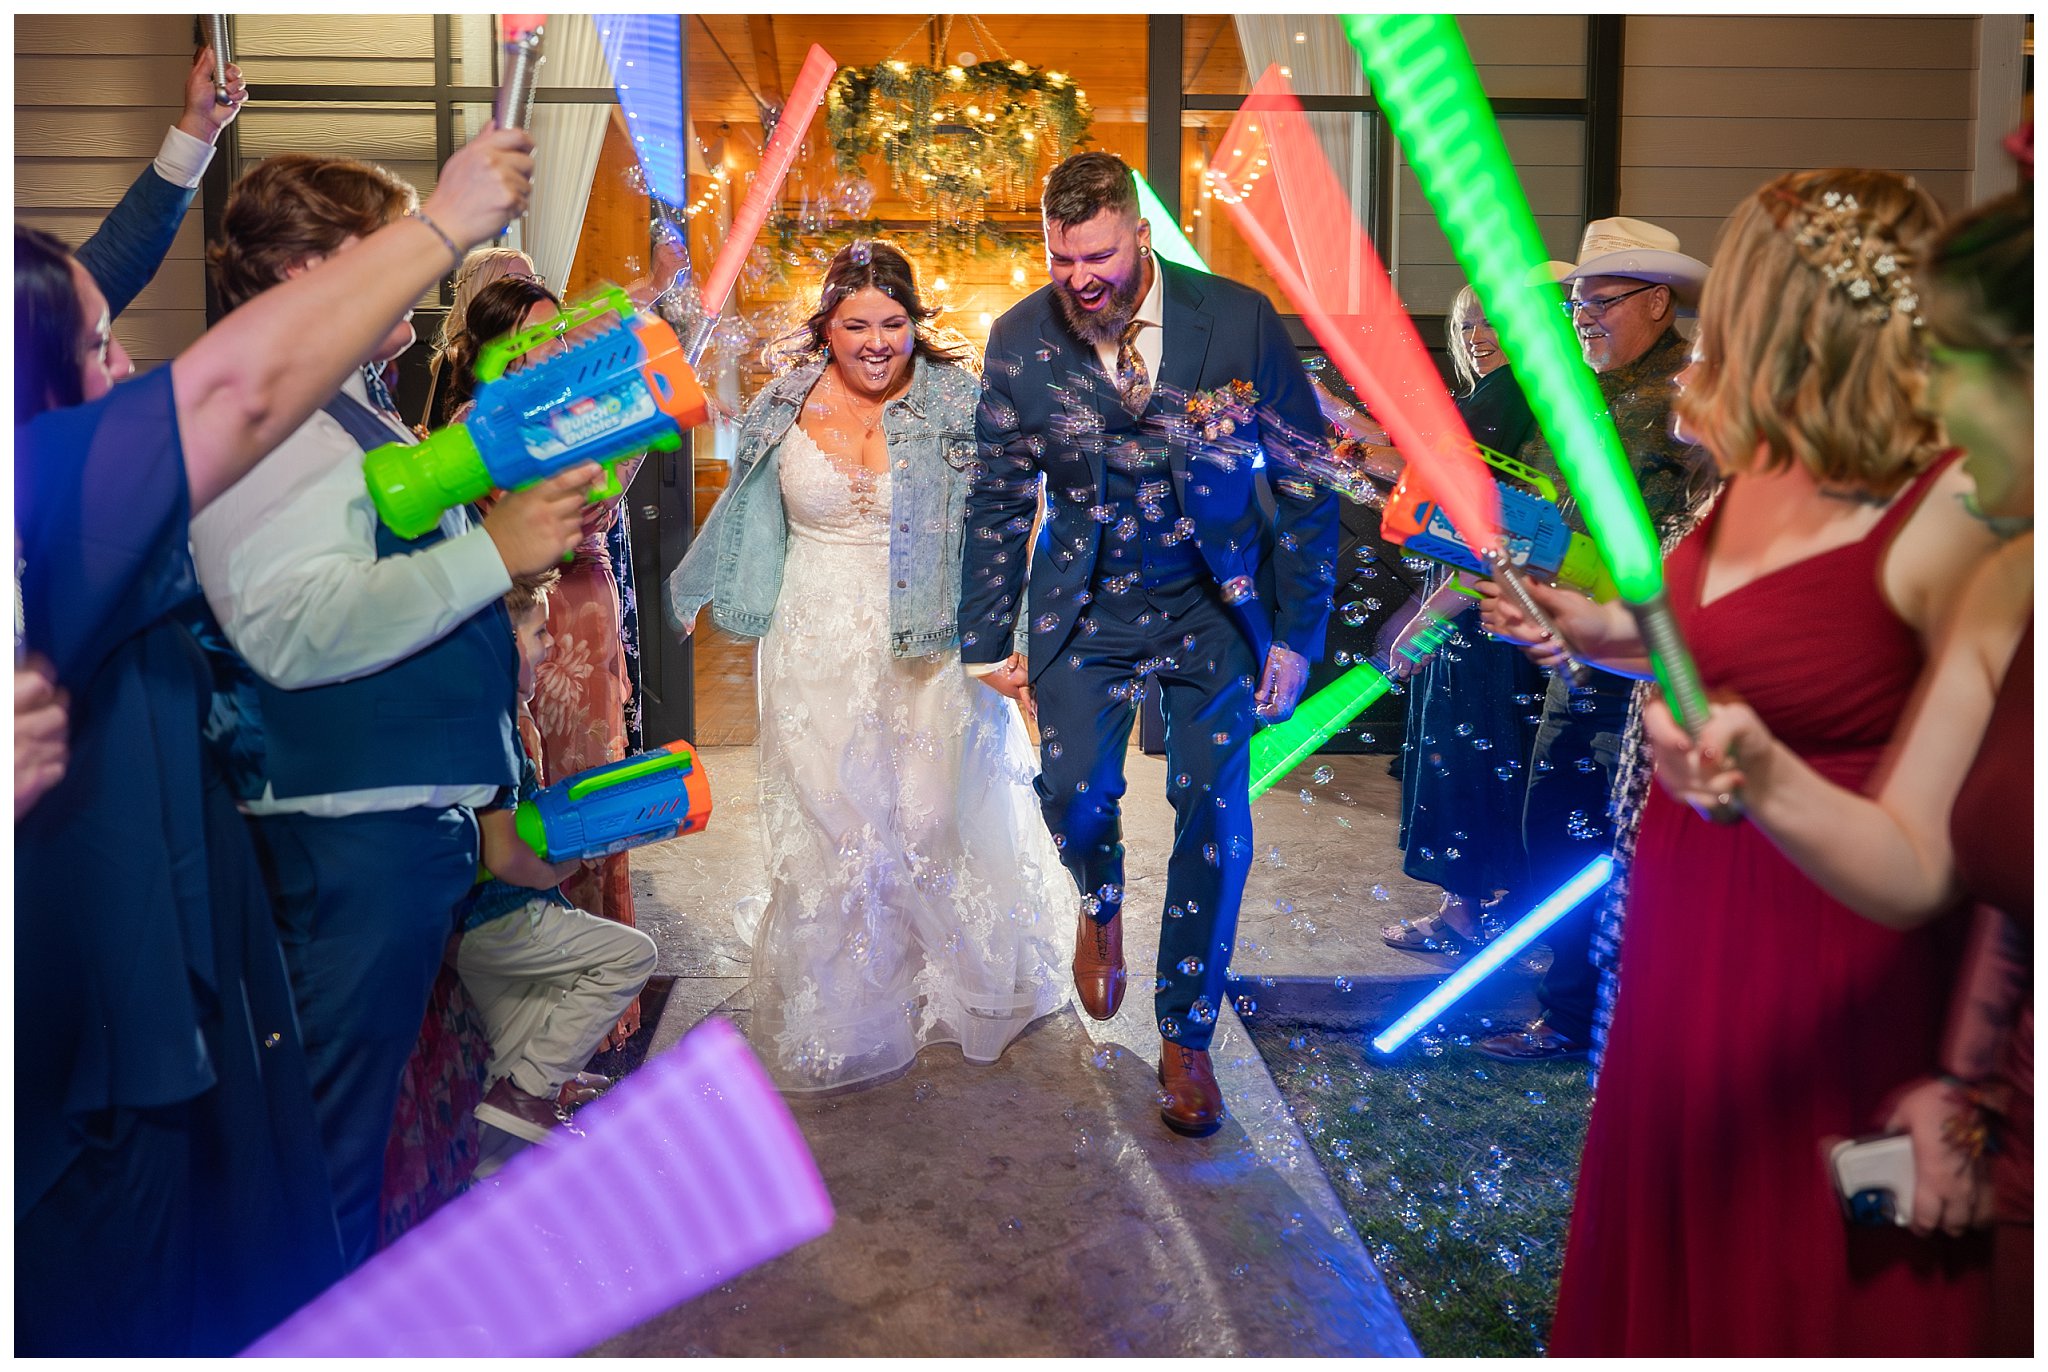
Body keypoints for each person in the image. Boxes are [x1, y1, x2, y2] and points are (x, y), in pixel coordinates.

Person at [14, 123, 538, 1354]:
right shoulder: (78, 485)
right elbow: (241, 423)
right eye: (97, 345)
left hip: (174, 900)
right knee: (237, 1201)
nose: (131, 360)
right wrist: (445, 224)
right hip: (131, 926)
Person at [1481, 169, 2000, 1355]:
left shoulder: (1957, 508)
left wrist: (1762, 779)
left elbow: (1927, 851)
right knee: (1672, 1239)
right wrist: (1582, 624)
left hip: (1819, 950)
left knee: (1790, 1274)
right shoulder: (1757, 471)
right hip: (1684, 918)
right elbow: (1691, 638)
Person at [186, 152, 600, 1269]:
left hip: (394, 830)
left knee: (358, 1132)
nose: (426, 280)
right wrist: (495, 557)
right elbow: (292, 626)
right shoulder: (270, 417)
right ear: (315, 270)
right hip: (344, 842)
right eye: (398, 250)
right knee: (320, 1143)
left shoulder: (340, 407)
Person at [1647, 185, 2032, 1354]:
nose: (1938, 397)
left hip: (1840, 960)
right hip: (1720, 921)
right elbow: (1957, 872)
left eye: (1959, 356)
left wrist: (1983, 1091)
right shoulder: (1998, 555)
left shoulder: (1971, 535)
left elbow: (1955, 874)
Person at [962, 151, 1339, 1137]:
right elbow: (999, 499)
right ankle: (1099, 897)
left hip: (1212, 605)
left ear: (1138, 233)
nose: (1077, 276)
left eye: (1095, 254)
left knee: (1211, 813)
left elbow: (1302, 485)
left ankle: (1186, 1037)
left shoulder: (1239, 319)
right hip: (1081, 608)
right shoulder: (1017, 339)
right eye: (1058, 256)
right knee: (1070, 794)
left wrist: (1297, 636)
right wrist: (981, 641)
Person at [667, 239, 1073, 1092]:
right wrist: (704, 591)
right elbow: (745, 517)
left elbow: (1004, 533)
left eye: (894, 322)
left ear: (917, 325)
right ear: (828, 326)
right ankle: (853, 1001)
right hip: (812, 641)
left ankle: (950, 980)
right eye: (857, 324)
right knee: (840, 826)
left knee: (925, 824)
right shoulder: (781, 402)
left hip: (931, 643)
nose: (877, 341)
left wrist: (1009, 640)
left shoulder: (962, 404)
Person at [1471, 217, 1714, 1065]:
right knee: (1557, 833)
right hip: (1577, 644)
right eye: (1575, 307)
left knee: (1602, 843)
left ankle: (1586, 1019)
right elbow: (1543, 496)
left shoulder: (1687, 401)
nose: (1581, 321)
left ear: (1656, 302)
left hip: (1645, 658)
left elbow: (1665, 545)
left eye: (1598, 304)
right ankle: (1577, 1010)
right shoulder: (1583, 390)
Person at [444, 275, 648, 1048]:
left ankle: (601, 989)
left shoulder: (587, 416)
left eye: (559, 334)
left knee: (593, 781)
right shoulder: (472, 425)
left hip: (587, 609)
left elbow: (606, 500)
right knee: (534, 784)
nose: (554, 350)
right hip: (518, 614)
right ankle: (536, 993)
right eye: (534, 337)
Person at [459, 568, 658, 1162]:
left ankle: (501, 1145)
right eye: (539, 634)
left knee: (515, 1048)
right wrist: (560, 871)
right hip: (500, 919)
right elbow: (504, 855)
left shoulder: (490, 716)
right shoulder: (492, 725)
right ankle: (528, 1092)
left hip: (475, 927)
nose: (550, 647)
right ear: (503, 644)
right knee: (631, 954)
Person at [1381, 278, 1549, 959]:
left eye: (1493, 323)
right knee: (1501, 758)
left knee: (1460, 762)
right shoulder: (1515, 398)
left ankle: (1459, 912)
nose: (1479, 336)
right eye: (1468, 325)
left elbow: (1485, 527)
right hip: (1497, 612)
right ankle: (1499, 903)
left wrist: (1425, 615)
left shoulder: (1505, 397)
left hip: (1474, 615)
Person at [423, 244, 540, 428]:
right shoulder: (458, 358)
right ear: (484, 291)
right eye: (517, 281)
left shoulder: (539, 344)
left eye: (533, 280)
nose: (531, 289)